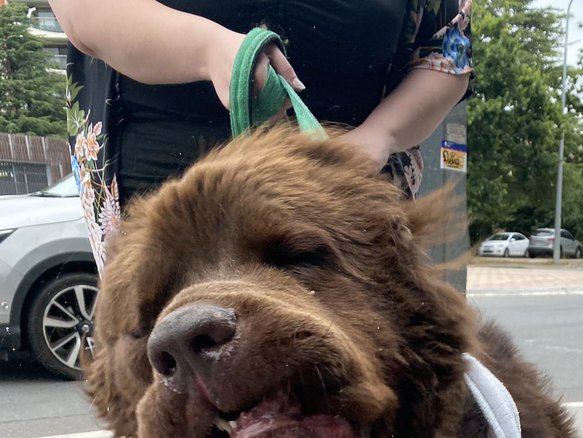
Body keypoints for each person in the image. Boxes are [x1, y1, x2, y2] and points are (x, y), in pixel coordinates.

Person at [50, 0, 472, 266]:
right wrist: (209, 49)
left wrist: (377, 137)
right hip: (164, 203)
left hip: (352, 201)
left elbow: (449, 53)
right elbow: (85, 11)